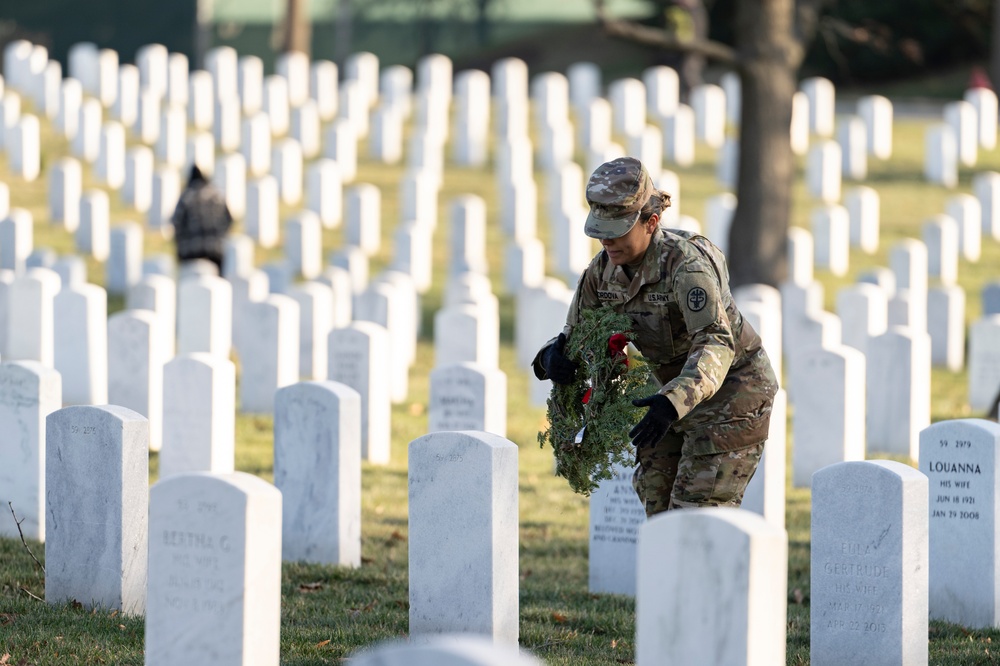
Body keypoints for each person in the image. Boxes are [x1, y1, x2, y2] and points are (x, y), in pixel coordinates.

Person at [532, 156, 778, 517]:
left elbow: (716, 341)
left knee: (695, 515)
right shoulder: (602, 273)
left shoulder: (686, 268)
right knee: (658, 510)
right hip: (665, 400)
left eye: (616, 231)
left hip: (730, 397)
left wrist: (672, 402)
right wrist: (551, 359)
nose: (606, 241)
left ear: (651, 222)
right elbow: (577, 334)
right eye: (600, 230)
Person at [171, 165, 233, 275]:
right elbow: (229, 220)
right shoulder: (217, 196)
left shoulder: (186, 197)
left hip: (189, 253)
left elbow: (176, 222)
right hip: (215, 253)